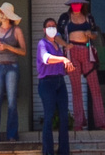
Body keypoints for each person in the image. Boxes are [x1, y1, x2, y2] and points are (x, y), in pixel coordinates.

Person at [56, 0, 105, 130]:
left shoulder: (88, 17)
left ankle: (102, 122)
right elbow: (56, 35)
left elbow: (96, 34)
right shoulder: (64, 18)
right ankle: (79, 122)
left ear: (82, 4)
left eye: (78, 3)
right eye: (74, 4)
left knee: (95, 87)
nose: (76, 6)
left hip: (87, 51)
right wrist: (66, 45)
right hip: (72, 52)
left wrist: (90, 34)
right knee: (76, 88)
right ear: (70, 5)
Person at [36, 17, 78, 155]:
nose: (52, 28)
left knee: (64, 117)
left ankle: (64, 151)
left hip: (60, 82)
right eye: (49, 26)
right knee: (48, 117)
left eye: (54, 26)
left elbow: (60, 67)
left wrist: (68, 68)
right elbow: (46, 59)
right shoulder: (42, 44)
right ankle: (48, 152)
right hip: (47, 83)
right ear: (44, 29)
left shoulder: (58, 47)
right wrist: (64, 58)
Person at [0, 4, 26, 141]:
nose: (2, 14)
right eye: (1, 12)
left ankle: (12, 134)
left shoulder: (17, 30)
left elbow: (23, 51)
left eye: (4, 12)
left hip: (12, 67)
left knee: (11, 102)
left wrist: (7, 47)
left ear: (9, 15)